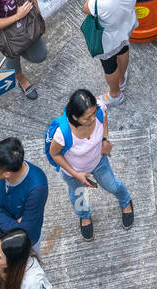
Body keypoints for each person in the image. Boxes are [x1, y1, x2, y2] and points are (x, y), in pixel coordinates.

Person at [48, 89, 133, 239]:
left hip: (99, 162)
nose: (93, 119)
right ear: (75, 117)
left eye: (94, 113)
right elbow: (54, 154)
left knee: (113, 185)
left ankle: (125, 201)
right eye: (87, 118)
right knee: (78, 197)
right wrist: (76, 174)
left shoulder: (99, 109)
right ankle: (84, 215)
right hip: (74, 172)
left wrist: (105, 139)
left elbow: (103, 117)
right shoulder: (63, 133)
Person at [0, 138, 49, 263]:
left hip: (22, 249)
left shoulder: (37, 187)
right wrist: (14, 225)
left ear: (7, 174)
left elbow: (25, 236)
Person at [82, 0, 141, 106]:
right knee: (123, 50)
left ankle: (115, 94)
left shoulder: (99, 3)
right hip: (125, 29)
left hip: (109, 40)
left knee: (109, 66)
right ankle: (122, 79)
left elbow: (85, 7)